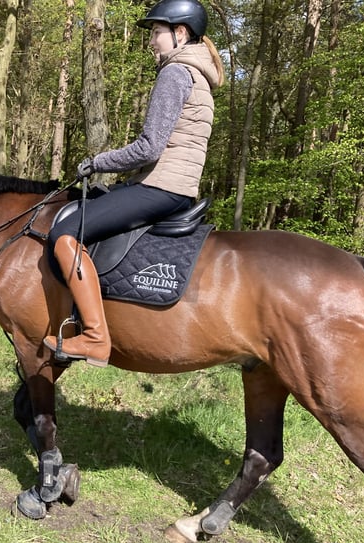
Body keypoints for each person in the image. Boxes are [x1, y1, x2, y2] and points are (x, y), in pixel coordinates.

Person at [44, 0, 225, 367]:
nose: (151, 41)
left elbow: (149, 147)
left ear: (180, 33)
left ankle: (95, 338)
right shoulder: (200, 75)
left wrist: (96, 162)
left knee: (65, 233)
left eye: (157, 32)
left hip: (161, 186)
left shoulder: (176, 73)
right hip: (178, 187)